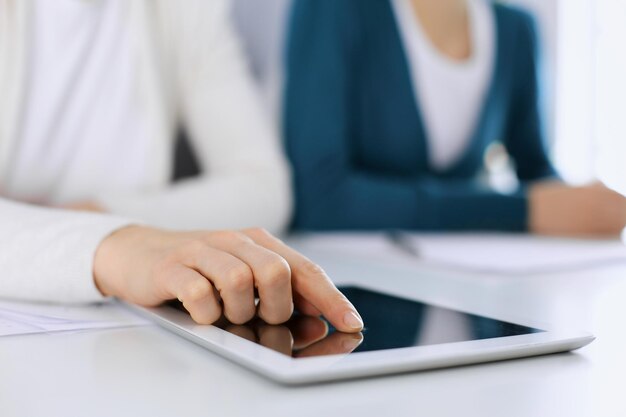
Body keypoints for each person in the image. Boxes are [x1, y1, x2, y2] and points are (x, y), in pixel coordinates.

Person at [0, 0, 363, 332]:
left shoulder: (186, 9)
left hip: (121, 326)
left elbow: (264, 188)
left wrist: (103, 216)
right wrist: (114, 247)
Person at [285, 0, 626, 235]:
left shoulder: (516, 31)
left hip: (463, 285)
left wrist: (584, 207)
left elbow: (537, 176)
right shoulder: (334, 10)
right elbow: (320, 198)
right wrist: (519, 211)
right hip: (354, 286)